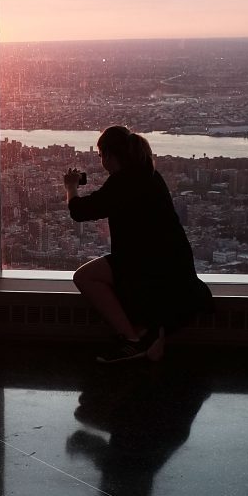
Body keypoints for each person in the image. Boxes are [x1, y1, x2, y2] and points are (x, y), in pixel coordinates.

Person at [64, 126, 212, 363]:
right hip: (174, 261)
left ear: (110, 155)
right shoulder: (150, 174)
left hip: (145, 264)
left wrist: (71, 187)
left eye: (101, 155)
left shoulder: (122, 182)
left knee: (84, 277)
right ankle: (150, 337)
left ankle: (131, 341)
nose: (101, 161)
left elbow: (80, 212)